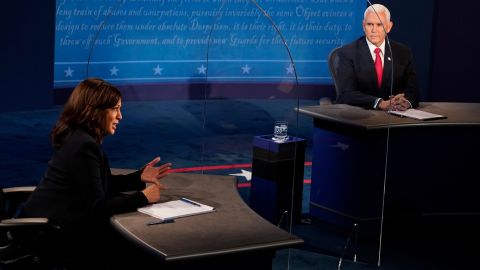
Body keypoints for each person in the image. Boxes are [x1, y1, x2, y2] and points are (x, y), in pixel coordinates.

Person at [19, 78, 172, 268]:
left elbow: (99, 185)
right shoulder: (84, 145)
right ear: (96, 111)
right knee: (135, 252)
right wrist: (143, 197)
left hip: (52, 224)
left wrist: (139, 177)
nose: (120, 116)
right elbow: (98, 206)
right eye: (115, 109)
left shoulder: (80, 137)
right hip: (51, 234)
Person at [334, 4, 420, 111]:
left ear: (389, 27)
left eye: (379, 25)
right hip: (359, 115)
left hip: (395, 116)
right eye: (370, 24)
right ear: (363, 26)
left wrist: (406, 102)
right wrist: (379, 103)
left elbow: (413, 90)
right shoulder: (347, 53)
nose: (374, 30)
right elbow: (346, 94)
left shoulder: (403, 52)